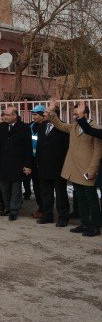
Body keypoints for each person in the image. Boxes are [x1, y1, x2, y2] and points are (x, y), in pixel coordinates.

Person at [46, 100, 102, 237]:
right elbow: (58, 124)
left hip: (87, 171)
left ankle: (95, 226)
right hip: (74, 169)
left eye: (76, 113)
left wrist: (92, 170)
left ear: (85, 114)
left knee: (91, 200)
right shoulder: (74, 127)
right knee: (81, 199)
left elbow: (97, 153)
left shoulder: (96, 128)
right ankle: (84, 224)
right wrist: (51, 111)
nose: (73, 116)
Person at [0, 106, 33, 221]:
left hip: (17, 162)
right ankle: (7, 207)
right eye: (4, 114)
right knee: (3, 186)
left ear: (14, 116)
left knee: (15, 187)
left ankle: (14, 210)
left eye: (7, 115)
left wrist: (27, 165)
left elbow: (27, 147)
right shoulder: (1, 127)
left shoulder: (24, 127)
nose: (5, 116)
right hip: (3, 162)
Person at [36, 105, 70, 226]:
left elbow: (66, 148)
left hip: (58, 167)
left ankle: (63, 217)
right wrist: (38, 162)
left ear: (54, 114)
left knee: (60, 194)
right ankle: (47, 215)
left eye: (47, 112)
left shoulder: (64, 127)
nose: (44, 114)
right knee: (46, 193)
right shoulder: (42, 126)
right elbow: (39, 146)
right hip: (44, 166)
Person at [28, 106, 47, 219]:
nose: (34, 117)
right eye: (33, 115)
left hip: (43, 161)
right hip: (33, 160)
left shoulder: (46, 127)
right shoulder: (31, 126)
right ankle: (41, 208)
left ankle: (45, 209)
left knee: (43, 187)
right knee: (36, 186)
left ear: (42, 115)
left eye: (36, 115)